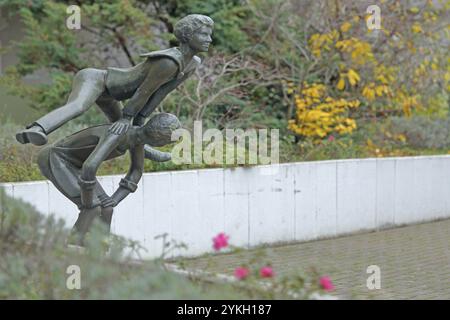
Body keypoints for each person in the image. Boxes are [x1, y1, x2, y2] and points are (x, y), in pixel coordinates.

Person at [16, 14, 213, 162]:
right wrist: (128, 117)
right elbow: (144, 91)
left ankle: (141, 148)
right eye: (203, 34)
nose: (209, 39)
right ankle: (38, 129)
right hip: (97, 80)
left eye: (209, 35)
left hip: (111, 95)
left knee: (123, 131)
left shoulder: (193, 63)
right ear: (188, 35)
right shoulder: (169, 61)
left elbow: (162, 91)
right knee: (79, 106)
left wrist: (140, 119)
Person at [37, 112, 181, 244]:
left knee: (107, 208)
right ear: (158, 140)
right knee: (93, 208)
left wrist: (114, 199)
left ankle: (101, 249)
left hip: (76, 166)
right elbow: (90, 167)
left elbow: (136, 171)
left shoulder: (137, 140)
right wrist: (87, 202)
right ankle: (72, 248)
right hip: (55, 158)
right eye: (167, 142)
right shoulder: (118, 134)